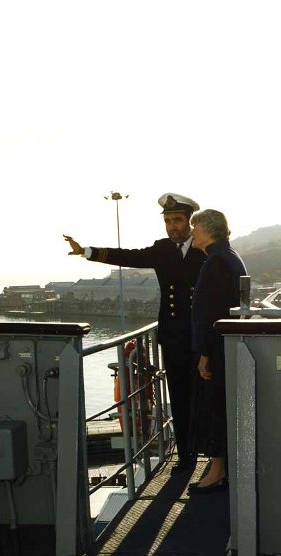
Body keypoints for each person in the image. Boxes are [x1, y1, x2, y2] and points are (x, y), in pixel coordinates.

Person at [63, 193, 206, 473]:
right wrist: (86, 251)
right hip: (175, 334)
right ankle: (187, 454)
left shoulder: (205, 248)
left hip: (203, 334)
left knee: (207, 393)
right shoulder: (162, 249)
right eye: (167, 221)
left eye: (177, 220)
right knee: (179, 395)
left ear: (189, 221)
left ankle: (212, 452)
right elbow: (128, 256)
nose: (172, 226)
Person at [186, 209, 247, 494]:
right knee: (219, 407)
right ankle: (218, 467)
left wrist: (205, 354)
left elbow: (215, 313)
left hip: (217, 349)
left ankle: (218, 471)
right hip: (223, 346)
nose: (191, 232)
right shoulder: (225, 256)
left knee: (214, 409)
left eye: (194, 226)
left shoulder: (217, 262)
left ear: (208, 229)